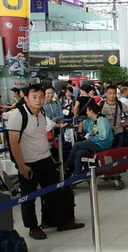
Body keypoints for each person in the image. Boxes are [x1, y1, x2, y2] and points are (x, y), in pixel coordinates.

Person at [8, 85, 84, 239]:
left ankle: (60, 221)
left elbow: (41, 135)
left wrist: (50, 157)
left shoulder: (42, 112)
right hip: (28, 162)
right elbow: (13, 143)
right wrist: (22, 165)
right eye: (34, 97)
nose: (38, 100)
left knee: (54, 191)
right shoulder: (18, 115)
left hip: (45, 158)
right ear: (26, 98)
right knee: (29, 196)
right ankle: (33, 227)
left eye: (41, 97)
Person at [66, 103, 114, 178]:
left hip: (102, 144)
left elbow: (103, 136)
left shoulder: (102, 120)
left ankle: (67, 165)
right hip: (95, 142)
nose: (86, 113)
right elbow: (89, 131)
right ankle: (77, 175)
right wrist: (82, 124)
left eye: (87, 111)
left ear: (91, 111)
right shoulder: (92, 120)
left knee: (76, 145)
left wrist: (91, 138)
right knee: (79, 152)